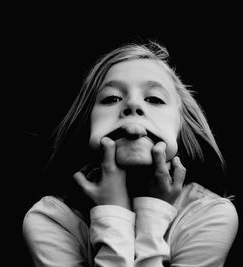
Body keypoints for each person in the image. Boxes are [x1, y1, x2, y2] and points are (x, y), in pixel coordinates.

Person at [22, 41, 238, 266]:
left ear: (181, 127)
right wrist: (112, 212)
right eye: (112, 98)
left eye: (154, 99)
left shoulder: (209, 214)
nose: (133, 104)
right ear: (87, 124)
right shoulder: (52, 219)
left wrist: (153, 212)